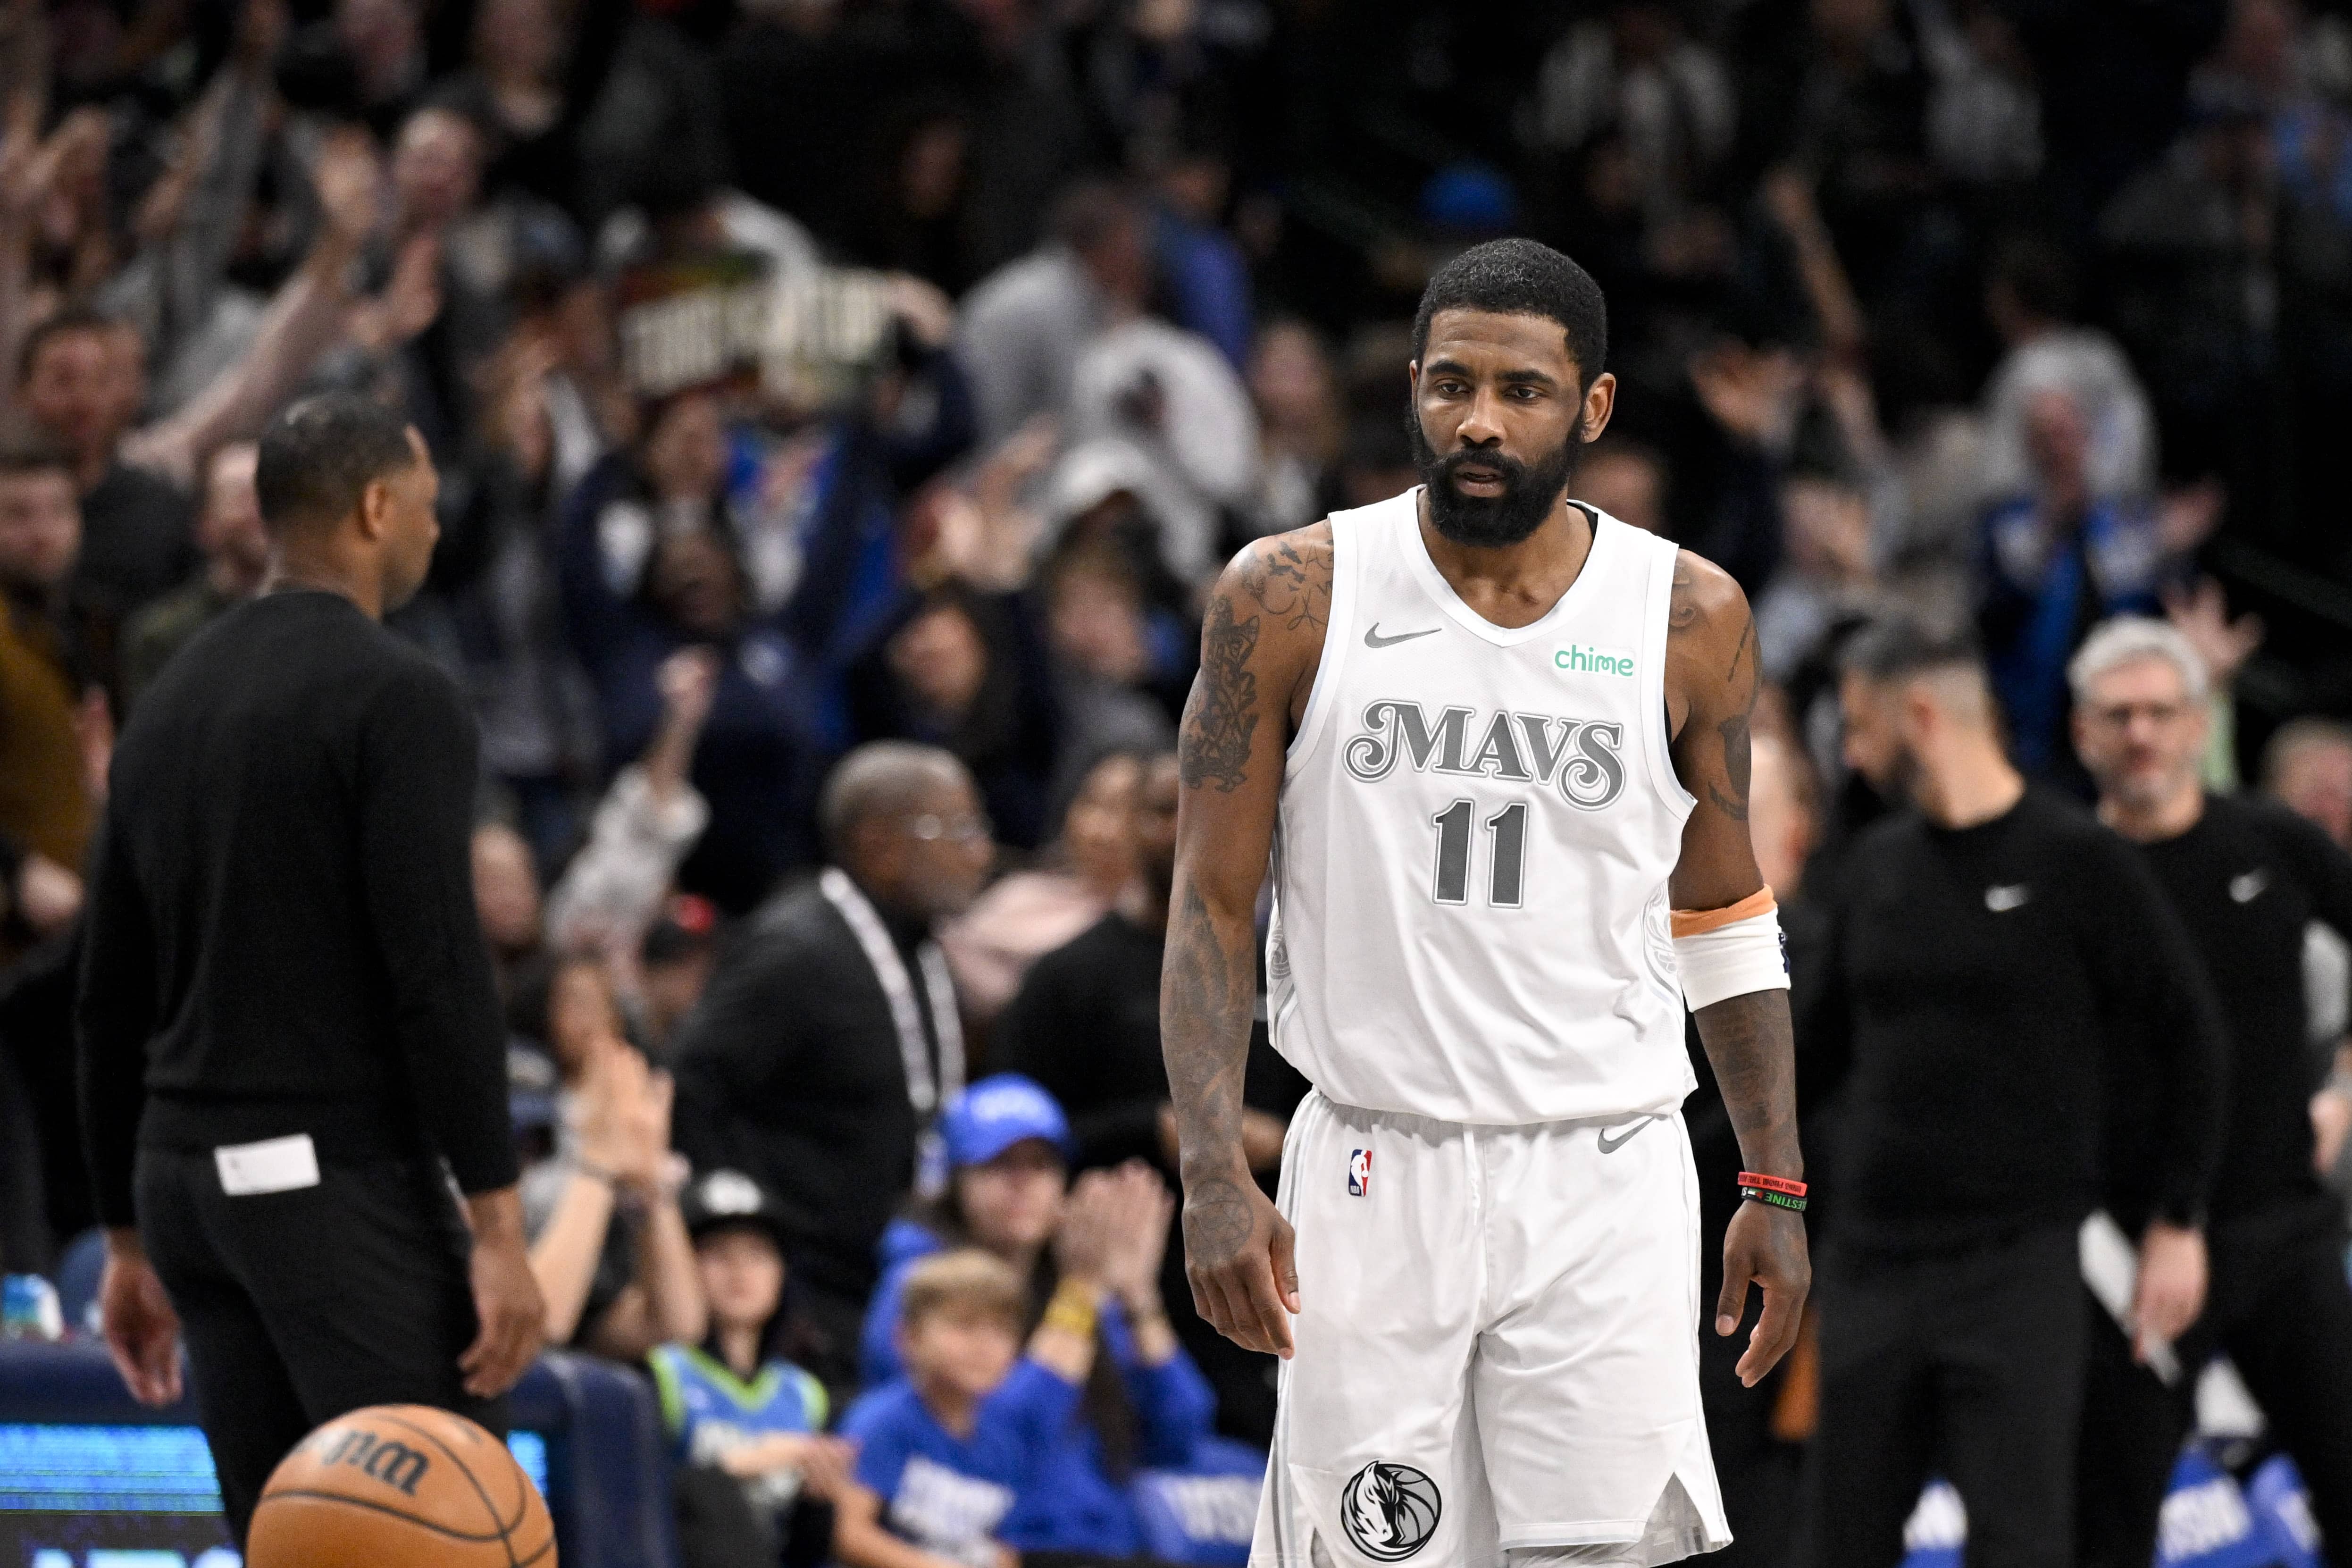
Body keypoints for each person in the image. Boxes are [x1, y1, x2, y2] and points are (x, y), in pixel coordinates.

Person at [1162, 237, 1808, 1568]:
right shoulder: (1287, 593)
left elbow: (1728, 916)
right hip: (1372, 1158)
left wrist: (1775, 1179)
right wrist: (1214, 1169)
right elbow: (1210, 908)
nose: (1477, 419)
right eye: (1449, 383)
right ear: (1409, 388)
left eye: (1520, 390)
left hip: (1607, 1166)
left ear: (1593, 407)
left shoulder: (1688, 612)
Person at [73, 392, 544, 1546]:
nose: (435, 532)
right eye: (428, 507)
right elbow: (438, 972)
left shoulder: (167, 697)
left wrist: (128, 1236)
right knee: (439, 1524)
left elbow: (106, 994)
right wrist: (497, 1222)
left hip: (186, 1187)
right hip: (325, 1182)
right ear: (377, 506)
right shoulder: (400, 692)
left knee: (292, 1538)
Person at [1797, 615, 2228, 1568]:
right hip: (1869, 1264)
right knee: (1838, 1540)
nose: (1853, 755)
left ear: (1918, 715)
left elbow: (2189, 1039)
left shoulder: (2076, 860)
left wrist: (2176, 1215)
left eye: (1861, 727)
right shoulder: (1871, 869)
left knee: (2019, 1541)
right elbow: (1805, 1064)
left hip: (2016, 1268)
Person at [2067, 616, 2352, 1568]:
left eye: (2160, 711)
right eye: (2118, 715)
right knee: (2111, 1515)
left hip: (2283, 1225)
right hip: (2140, 1250)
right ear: (2081, 732)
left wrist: (2342, 1088)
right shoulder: (2067, 870)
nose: (2140, 733)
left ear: (2197, 723)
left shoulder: (2269, 839)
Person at [671, 741, 994, 1392]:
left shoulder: (921, 949)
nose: (979, 850)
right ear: (879, 844)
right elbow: (690, 1086)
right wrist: (749, 1236)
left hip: (892, 1275)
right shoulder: (796, 950)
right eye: (956, 827)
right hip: (808, 1303)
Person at [858, 1076, 1215, 1559]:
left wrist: (1138, 1297)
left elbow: (1179, 1434)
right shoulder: (918, 1284)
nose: (1022, 1183)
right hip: (996, 1543)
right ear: (954, 1180)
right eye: (998, 1164)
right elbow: (993, 1430)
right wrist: (1081, 1293)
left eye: (1042, 1164)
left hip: (1111, 1540)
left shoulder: (1076, 1282)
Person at [654, 1167, 855, 1568]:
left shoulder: (805, 1392)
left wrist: (820, 1500)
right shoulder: (661, 1370)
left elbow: (806, 1550)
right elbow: (639, 1504)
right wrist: (740, 1465)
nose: (739, 1270)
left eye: (758, 1254)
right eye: (718, 1253)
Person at [119, 440, 267, 710]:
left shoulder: (322, 620)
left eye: (267, 495)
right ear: (205, 526)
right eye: (240, 497)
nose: (258, 511)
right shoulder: (163, 635)